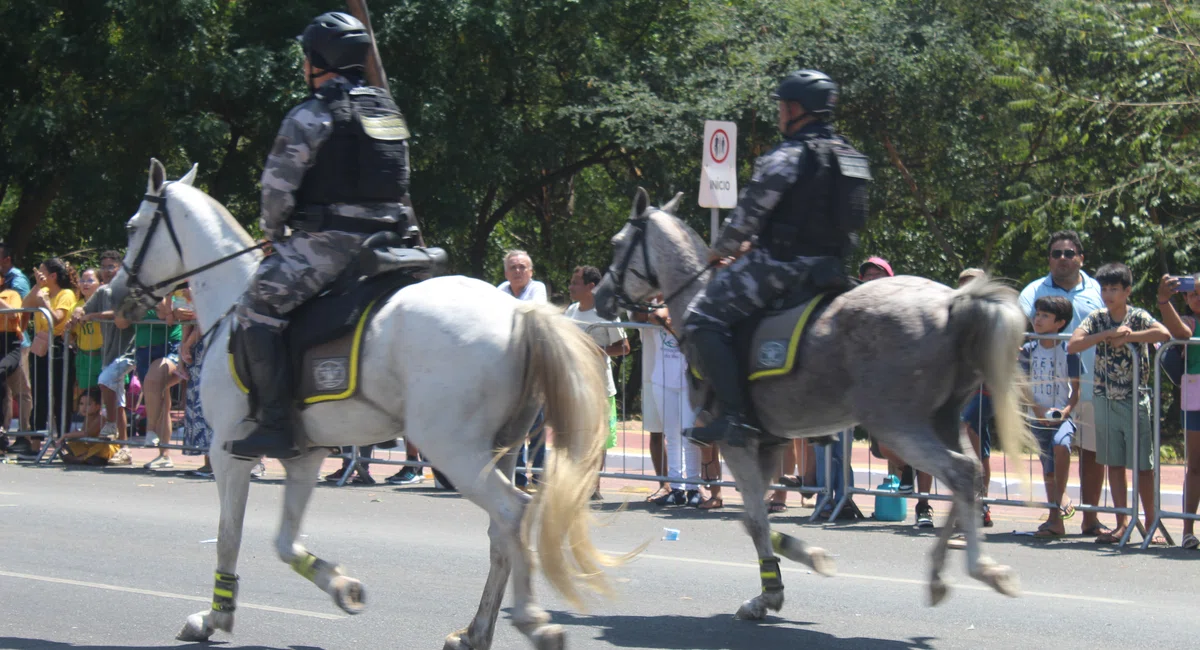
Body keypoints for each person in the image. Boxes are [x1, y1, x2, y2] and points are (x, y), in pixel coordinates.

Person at [230, 11, 416, 460]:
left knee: (256, 307)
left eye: (305, 57)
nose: (302, 66)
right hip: (392, 243)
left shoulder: (310, 115)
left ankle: (275, 423)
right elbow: (402, 179)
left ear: (319, 59)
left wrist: (273, 232)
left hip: (331, 244)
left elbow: (276, 188)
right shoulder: (387, 110)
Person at [683, 69, 869, 447]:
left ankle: (735, 416)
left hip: (781, 265)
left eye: (783, 107)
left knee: (703, 318)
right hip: (831, 267)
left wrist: (721, 249)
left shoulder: (787, 155)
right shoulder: (850, 154)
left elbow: (749, 214)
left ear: (797, 109)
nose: (780, 114)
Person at [1067, 262, 1170, 544]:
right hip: (1104, 398)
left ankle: (1150, 522)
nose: (1108, 294)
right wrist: (1106, 336)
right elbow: (1074, 344)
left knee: (1142, 466)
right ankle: (1122, 522)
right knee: (1113, 463)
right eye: (1104, 288)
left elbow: (1164, 334)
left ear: (1127, 290)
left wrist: (1130, 337)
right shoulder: (1097, 318)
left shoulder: (1138, 316)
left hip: (1135, 398)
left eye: (1114, 288)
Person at [1019, 231, 1107, 537]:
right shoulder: (1034, 292)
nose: (1062, 259)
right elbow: (1022, 331)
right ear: (1049, 259)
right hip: (1049, 393)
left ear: (1081, 258)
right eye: (1056, 253)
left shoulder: (1097, 290)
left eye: (1069, 253)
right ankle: (1055, 516)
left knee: (1093, 452)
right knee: (1053, 453)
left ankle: (1091, 517)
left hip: (1094, 383)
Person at [564, 265, 630, 500]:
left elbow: (625, 347)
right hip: (573, 386)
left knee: (598, 438)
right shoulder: (570, 312)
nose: (570, 287)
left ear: (591, 287)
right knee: (575, 435)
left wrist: (597, 349)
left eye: (575, 282)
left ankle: (594, 485)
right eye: (571, 282)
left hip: (599, 387)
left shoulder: (607, 313)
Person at [1021, 296, 1081, 537]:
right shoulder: (1028, 349)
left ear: (1060, 322)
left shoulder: (1069, 349)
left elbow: (1076, 389)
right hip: (1037, 417)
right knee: (1047, 471)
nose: (1038, 319)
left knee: (1061, 445)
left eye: (1045, 316)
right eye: (1037, 314)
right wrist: (1036, 410)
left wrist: (1066, 411)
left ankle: (1057, 509)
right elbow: (1023, 386)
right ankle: (1055, 518)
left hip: (1064, 417)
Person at [639, 300, 702, 507]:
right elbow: (655, 316)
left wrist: (671, 318)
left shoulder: (692, 298)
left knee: (689, 436)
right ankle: (677, 488)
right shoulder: (658, 304)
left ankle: (693, 486)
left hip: (688, 381)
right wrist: (668, 316)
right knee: (672, 436)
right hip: (662, 379)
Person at [496, 250, 550, 490]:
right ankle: (516, 477)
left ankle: (539, 477)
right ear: (506, 272)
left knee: (536, 424)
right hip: (508, 366)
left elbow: (533, 311)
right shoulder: (500, 289)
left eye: (522, 267)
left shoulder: (537, 288)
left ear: (530, 271)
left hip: (534, 365)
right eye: (513, 267)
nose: (517, 271)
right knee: (511, 424)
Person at [1155, 273, 1200, 549]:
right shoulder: (1189, 321)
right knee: (1195, 466)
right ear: (1185, 297)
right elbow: (1181, 333)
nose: (1197, 297)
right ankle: (1187, 529)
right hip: (1196, 397)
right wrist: (1163, 300)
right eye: (1193, 293)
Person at [20, 258, 79, 457]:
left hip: (59, 347)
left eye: (42, 273)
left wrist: (44, 301)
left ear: (53, 276)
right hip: (41, 347)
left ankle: (62, 443)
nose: (39, 275)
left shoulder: (66, 294)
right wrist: (37, 286)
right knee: (39, 395)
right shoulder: (42, 290)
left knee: (60, 397)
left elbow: (57, 319)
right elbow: (25, 305)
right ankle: (35, 444)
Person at [82, 250, 137, 444]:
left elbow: (119, 314)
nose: (106, 271)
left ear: (120, 268)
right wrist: (77, 314)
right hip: (109, 353)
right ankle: (123, 446)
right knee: (118, 402)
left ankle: (111, 423)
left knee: (104, 381)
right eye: (103, 267)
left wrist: (92, 316)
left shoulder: (127, 289)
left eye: (110, 266)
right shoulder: (101, 291)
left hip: (128, 352)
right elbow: (85, 308)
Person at [0, 243, 32, 440]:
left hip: (16, 340)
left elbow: (22, 311)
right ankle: (3, 434)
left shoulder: (16, 282)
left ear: (7, 259)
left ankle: (26, 435)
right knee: (5, 390)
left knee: (22, 390)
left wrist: (22, 331)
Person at [55, 387, 122, 466]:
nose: (83, 407)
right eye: (81, 404)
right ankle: (88, 457)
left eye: (88, 404)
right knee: (73, 443)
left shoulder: (100, 419)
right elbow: (84, 437)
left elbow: (87, 433)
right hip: (90, 445)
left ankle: (81, 458)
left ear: (98, 406)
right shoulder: (87, 418)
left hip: (104, 447)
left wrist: (66, 435)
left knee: (102, 445)